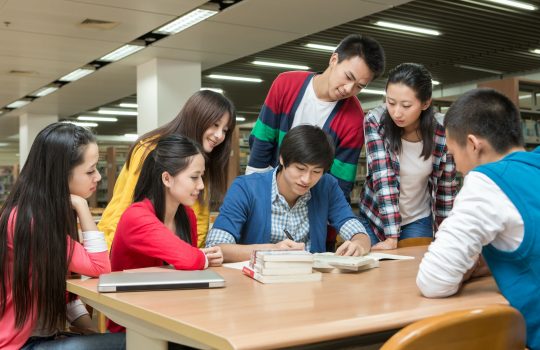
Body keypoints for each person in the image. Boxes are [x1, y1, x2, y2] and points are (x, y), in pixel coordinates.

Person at [416, 88, 540, 350]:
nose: (457, 167)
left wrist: (465, 270)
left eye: (453, 154)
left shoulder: (487, 182)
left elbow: (434, 282)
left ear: (473, 145)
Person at [0, 122, 125, 349]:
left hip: (44, 337)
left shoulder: (43, 214)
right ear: (60, 175)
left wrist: (90, 330)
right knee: (133, 344)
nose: (97, 176)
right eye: (90, 170)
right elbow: (100, 267)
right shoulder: (29, 221)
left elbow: (63, 293)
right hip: (20, 345)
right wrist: (82, 206)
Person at [247, 33, 385, 200]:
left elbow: (341, 180)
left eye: (359, 86)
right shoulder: (286, 84)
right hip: (267, 187)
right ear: (334, 60)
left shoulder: (354, 118)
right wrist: (252, 192)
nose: (349, 89)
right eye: (348, 77)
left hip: (313, 200)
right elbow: (262, 140)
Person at [109, 134, 223, 333]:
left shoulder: (187, 216)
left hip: (174, 318)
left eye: (202, 176)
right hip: (135, 328)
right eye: (194, 177)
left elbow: (192, 269)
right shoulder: (136, 216)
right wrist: (203, 257)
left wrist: (202, 258)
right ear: (167, 178)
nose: (201, 185)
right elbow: (189, 259)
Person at [206, 125, 370, 263]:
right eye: (300, 169)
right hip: (257, 287)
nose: (306, 179)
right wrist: (270, 250)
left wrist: (359, 244)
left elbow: (356, 230)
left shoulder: (326, 186)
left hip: (311, 286)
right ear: (283, 159)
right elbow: (216, 247)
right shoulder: (245, 188)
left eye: (316, 171)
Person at [98, 90, 236, 249]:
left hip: (175, 259)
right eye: (215, 125)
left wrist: (197, 256)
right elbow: (125, 207)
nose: (219, 135)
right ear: (197, 119)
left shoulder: (200, 159)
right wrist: (111, 258)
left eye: (225, 130)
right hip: (130, 252)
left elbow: (200, 216)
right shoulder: (150, 149)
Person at [359, 63, 457, 250]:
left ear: (425, 103)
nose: (396, 112)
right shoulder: (375, 121)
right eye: (391, 102)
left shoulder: (443, 130)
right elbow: (383, 177)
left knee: (413, 270)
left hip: (418, 219)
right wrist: (391, 237)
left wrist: (446, 236)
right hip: (376, 218)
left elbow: (446, 188)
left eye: (406, 105)